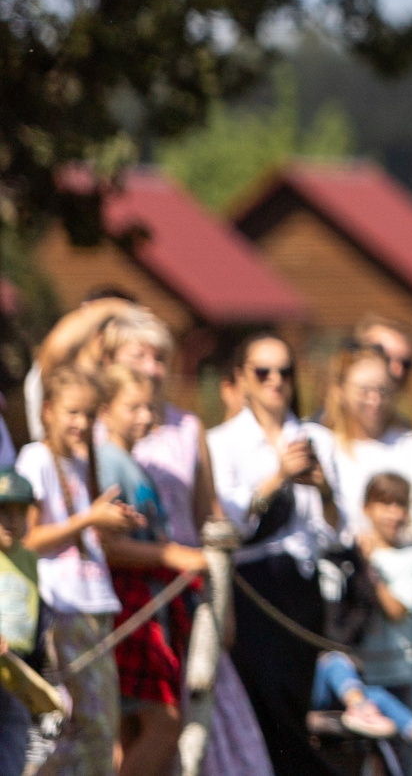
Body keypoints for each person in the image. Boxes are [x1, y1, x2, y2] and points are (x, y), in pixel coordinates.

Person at [112, 309, 271, 776]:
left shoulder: (186, 427)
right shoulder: (106, 430)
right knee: (141, 726)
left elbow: (210, 517)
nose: (153, 366)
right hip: (133, 594)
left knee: (202, 711)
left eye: (161, 357)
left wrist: (225, 605)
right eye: (140, 354)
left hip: (189, 588)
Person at [208, 334, 340, 776]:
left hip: (301, 585)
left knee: (294, 702)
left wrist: (322, 489)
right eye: (263, 372)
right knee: (261, 703)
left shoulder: (316, 437)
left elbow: (338, 529)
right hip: (251, 585)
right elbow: (224, 521)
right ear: (241, 380)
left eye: (284, 371)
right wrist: (277, 477)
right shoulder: (221, 443)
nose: (275, 382)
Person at [18, 368, 138, 776]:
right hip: (62, 608)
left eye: (89, 415)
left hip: (93, 603)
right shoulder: (37, 457)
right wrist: (88, 518)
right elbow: (27, 539)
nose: (81, 424)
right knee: (84, 726)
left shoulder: (80, 464)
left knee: (100, 729)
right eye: (72, 413)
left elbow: (79, 531)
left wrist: (110, 522)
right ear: (47, 411)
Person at [93, 363, 207, 776]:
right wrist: (173, 555)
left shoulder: (129, 460)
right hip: (128, 606)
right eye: (133, 407)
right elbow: (105, 544)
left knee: (130, 731)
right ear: (104, 410)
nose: (145, 417)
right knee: (164, 723)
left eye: (149, 407)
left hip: (143, 605)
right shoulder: (107, 460)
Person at [312, 475, 412, 768]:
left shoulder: (410, 558)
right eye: (385, 504)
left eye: (400, 505)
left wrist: (369, 569)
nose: (394, 513)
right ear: (367, 508)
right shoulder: (350, 552)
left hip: (394, 669)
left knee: (396, 762)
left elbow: (396, 609)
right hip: (359, 669)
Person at [323, 344, 412, 567]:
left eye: (383, 390)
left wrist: (384, 546)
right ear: (340, 390)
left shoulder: (411, 447)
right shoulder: (326, 446)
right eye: (364, 390)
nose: (374, 400)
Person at [0, 472, 50, 776]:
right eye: (3, 510)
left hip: (18, 672)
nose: (12, 520)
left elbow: (35, 611)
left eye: (20, 511)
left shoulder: (30, 559)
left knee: (14, 738)